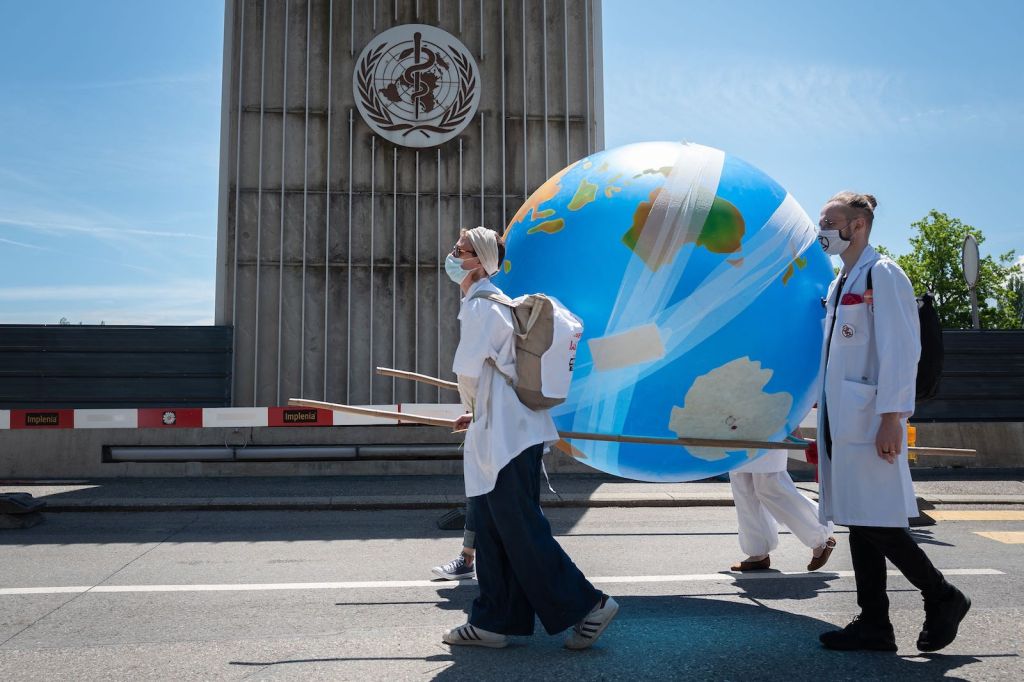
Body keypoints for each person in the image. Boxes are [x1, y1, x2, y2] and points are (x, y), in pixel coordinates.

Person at [440, 226, 618, 650]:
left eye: (459, 250)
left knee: (520, 531)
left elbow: (466, 370)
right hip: (507, 431)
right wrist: (476, 411)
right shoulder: (491, 304)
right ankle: (494, 620)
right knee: (492, 528)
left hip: (505, 437)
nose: (451, 255)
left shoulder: (482, 307)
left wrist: (473, 408)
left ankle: (589, 605)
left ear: (478, 261)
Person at [814, 191, 969, 653]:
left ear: (857, 225)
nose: (822, 230)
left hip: (869, 419)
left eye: (830, 221)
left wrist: (892, 419)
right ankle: (874, 623)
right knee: (860, 517)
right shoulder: (840, 281)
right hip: (841, 418)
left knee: (875, 520)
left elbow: (903, 352)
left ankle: (942, 595)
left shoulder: (884, 275)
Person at [729, 446, 836, 572]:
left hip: (767, 430)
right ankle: (758, 551)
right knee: (744, 487)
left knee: (770, 485)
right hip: (735, 430)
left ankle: (821, 536)